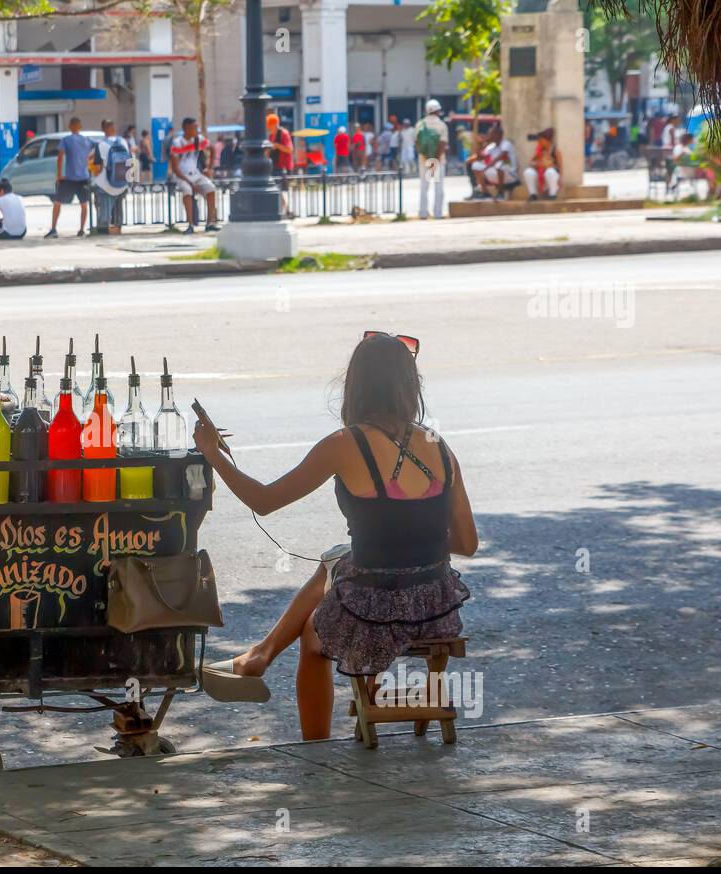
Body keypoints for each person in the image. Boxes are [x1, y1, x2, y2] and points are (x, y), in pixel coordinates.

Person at [196, 332, 478, 740]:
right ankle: (258, 657)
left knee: (313, 636)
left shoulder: (345, 444)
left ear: (355, 385)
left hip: (376, 605)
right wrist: (415, 540)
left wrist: (212, 454)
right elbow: (467, 544)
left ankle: (314, 744)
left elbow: (264, 500)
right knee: (336, 558)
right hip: (434, 605)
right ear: (410, 385)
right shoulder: (440, 447)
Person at [167, 117, 219, 233]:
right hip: (181, 176)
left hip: (196, 174)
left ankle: (210, 223)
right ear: (186, 128)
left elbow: (212, 149)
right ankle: (190, 225)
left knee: (211, 189)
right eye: (195, 127)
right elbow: (175, 169)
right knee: (187, 190)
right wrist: (191, 183)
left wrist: (210, 168)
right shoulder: (177, 143)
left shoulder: (198, 139)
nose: (197, 129)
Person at [44, 116, 92, 238]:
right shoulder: (87, 141)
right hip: (84, 178)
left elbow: (60, 157)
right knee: (84, 204)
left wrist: (59, 175)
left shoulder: (66, 140)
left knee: (57, 202)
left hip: (69, 178)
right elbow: (94, 151)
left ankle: (53, 229)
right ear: (80, 127)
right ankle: (81, 230)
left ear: (70, 126)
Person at [91, 118, 132, 235]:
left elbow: (97, 169)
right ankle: (117, 229)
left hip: (106, 185)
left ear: (103, 129)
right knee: (118, 210)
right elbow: (130, 161)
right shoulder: (123, 142)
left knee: (104, 211)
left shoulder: (100, 144)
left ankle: (103, 230)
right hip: (122, 183)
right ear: (114, 128)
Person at [415, 99, 449, 220]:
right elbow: (443, 143)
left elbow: (417, 143)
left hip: (424, 160)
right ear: (437, 111)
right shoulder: (441, 125)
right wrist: (435, 158)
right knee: (438, 187)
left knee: (424, 187)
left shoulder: (420, 124)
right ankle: (437, 213)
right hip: (437, 160)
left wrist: (425, 155)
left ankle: (423, 213)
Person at [471, 122, 517, 198]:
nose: (489, 136)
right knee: (475, 165)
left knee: (500, 164)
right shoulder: (491, 146)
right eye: (489, 134)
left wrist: (486, 168)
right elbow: (479, 158)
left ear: (499, 135)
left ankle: (500, 192)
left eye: (491, 134)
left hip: (510, 175)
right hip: (495, 174)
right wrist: (480, 143)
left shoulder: (506, 143)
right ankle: (485, 192)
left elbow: (500, 157)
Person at [522, 127, 562, 200]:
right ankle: (533, 194)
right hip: (540, 176)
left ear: (547, 140)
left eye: (541, 140)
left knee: (550, 172)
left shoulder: (555, 151)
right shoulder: (539, 150)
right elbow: (531, 162)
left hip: (550, 179)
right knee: (528, 172)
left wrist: (549, 165)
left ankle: (552, 194)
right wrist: (537, 164)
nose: (539, 141)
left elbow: (559, 168)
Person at [266, 112, 294, 216]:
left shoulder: (284, 133)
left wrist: (277, 145)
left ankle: (286, 210)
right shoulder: (271, 136)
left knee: (282, 190)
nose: (268, 128)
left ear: (275, 124)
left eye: (270, 126)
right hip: (274, 166)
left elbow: (289, 149)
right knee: (278, 189)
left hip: (283, 167)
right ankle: (285, 210)